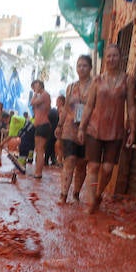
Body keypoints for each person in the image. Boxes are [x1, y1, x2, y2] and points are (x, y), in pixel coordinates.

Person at [78, 43, 136, 214]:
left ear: (120, 58)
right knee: (94, 167)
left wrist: (132, 130)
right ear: (105, 59)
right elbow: (89, 106)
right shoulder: (97, 80)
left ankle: (98, 193)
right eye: (109, 56)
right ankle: (91, 202)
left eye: (115, 56)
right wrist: (82, 128)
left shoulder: (128, 80)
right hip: (95, 129)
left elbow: (131, 107)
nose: (111, 59)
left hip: (116, 131)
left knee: (108, 169)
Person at [56, 54, 93, 204]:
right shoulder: (71, 87)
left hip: (88, 129)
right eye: (79, 65)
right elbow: (65, 109)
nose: (81, 68)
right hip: (70, 129)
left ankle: (76, 193)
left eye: (84, 65)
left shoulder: (95, 86)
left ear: (90, 68)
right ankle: (63, 194)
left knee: (82, 163)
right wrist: (59, 124)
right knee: (69, 160)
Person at [29, 79, 51, 179]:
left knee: (40, 150)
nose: (34, 89)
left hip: (43, 125)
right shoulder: (41, 96)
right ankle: (37, 171)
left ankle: (38, 172)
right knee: (38, 150)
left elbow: (32, 102)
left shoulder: (45, 95)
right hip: (39, 125)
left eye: (35, 86)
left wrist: (36, 92)